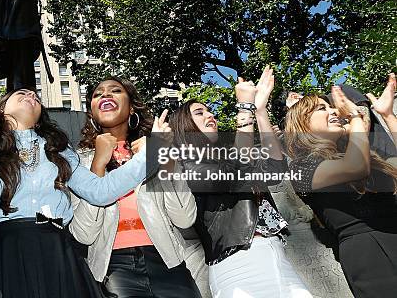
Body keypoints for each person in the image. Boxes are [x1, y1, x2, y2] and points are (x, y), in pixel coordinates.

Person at [0, 84, 169, 298]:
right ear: (1, 110)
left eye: (36, 97)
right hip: (7, 252)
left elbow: (101, 191)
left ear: (40, 117)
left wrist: (152, 152)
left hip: (58, 251)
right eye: (21, 94)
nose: (31, 96)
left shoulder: (60, 151)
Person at [170, 66, 311, 298]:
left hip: (276, 254)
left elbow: (275, 170)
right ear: (183, 125)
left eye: (209, 111)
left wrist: (261, 111)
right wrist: (245, 108)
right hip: (238, 264)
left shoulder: (228, 153)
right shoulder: (184, 163)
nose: (210, 115)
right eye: (199, 112)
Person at [68, 76, 202, 298]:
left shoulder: (154, 151)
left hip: (169, 262)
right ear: (91, 113)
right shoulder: (77, 162)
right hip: (114, 269)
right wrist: (98, 164)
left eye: (115, 91)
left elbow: (185, 219)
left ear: (131, 109)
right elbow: (84, 234)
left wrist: (165, 158)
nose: (105, 95)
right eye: (97, 94)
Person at [285, 75, 397, 298]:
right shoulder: (301, 167)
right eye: (321, 108)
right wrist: (355, 115)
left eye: (333, 107)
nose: (335, 111)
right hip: (372, 254)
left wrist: (387, 115)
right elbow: (355, 168)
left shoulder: (365, 156)